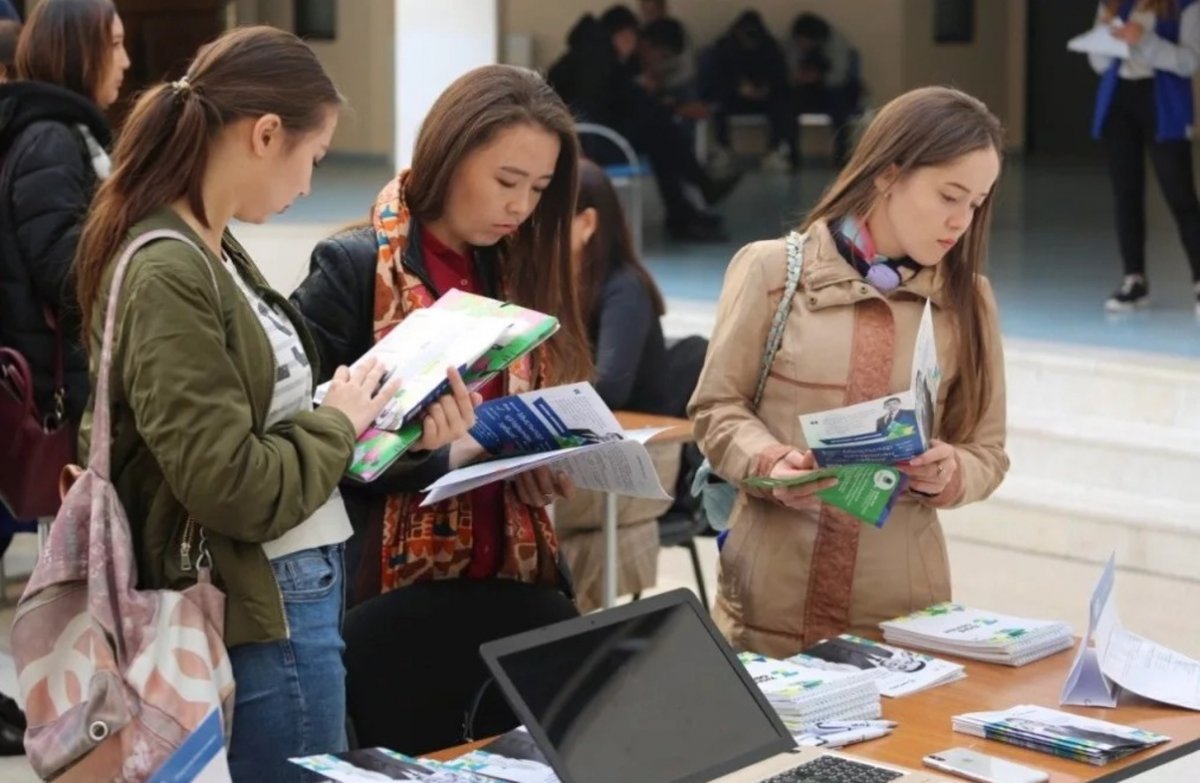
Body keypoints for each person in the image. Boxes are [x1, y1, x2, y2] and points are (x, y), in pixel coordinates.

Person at [73, 27, 476, 782]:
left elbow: (269, 426)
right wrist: (338, 420)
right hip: (258, 599)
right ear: (266, 135)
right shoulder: (171, 266)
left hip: (285, 587)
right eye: (314, 157)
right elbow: (231, 483)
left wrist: (396, 429)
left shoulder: (211, 246)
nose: (309, 184)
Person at [290, 64, 592, 755]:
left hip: (512, 582)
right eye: (507, 181)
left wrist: (535, 467)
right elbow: (310, 456)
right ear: (450, 154)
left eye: (539, 190)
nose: (520, 206)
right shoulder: (352, 269)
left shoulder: (514, 269)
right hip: (389, 602)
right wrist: (438, 454)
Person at [689, 86, 1009, 657]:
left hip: (902, 608)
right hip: (770, 601)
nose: (961, 220)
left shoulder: (970, 301)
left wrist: (951, 469)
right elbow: (716, 409)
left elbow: (987, 451)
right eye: (949, 196)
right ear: (889, 175)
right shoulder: (771, 272)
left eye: (977, 203)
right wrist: (768, 459)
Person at [553, 159, 686, 610]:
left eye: (543, 215)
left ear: (587, 223)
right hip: (580, 448)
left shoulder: (624, 288)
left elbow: (610, 389)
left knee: (505, 503)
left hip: (641, 456)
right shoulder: (552, 284)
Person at [0, 0, 128, 430]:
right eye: (114, 45)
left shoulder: (62, 132)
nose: (125, 62)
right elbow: (66, 271)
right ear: (79, 52)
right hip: (53, 390)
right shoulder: (50, 141)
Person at [548, 7, 739, 241]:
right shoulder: (596, 58)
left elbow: (617, 99)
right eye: (631, 38)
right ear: (620, 35)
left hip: (593, 135)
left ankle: (684, 212)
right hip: (591, 141)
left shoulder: (594, 54)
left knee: (660, 135)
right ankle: (693, 199)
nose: (632, 46)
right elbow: (602, 106)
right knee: (660, 131)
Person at [1089, 0, 1200, 314]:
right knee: (1126, 194)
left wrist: (1145, 41)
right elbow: (1099, 64)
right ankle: (1134, 280)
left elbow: (1190, 61)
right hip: (1119, 102)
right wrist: (1105, 39)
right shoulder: (1111, 4)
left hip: (1162, 101)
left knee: (1180, 195)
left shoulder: (1185, 6)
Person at [707, 11, 795, 173]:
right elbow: (715, 79)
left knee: (782, 104)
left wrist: (766, 88)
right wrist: (737, 88)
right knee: (718, 104)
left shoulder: (770, 47)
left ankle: (774, 151)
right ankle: (723, 149)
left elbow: (780, 76)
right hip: (734, 98)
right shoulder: (724, 48)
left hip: (764, 97)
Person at [786, 12, 864, 168]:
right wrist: (800, 77)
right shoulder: (792, 45)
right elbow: (790, 71)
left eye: (804, 42)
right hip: (805, 91)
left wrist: (818, 77)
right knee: (787, 105)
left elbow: (840, 77)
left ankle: (841, 156)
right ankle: (792, 157)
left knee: (839, 107)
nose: (801, 46)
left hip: (833, 90)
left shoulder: (837, 44)